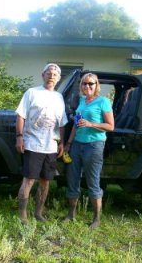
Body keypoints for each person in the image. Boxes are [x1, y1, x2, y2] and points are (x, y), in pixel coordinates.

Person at [15, 63, 68, 223]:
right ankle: (22, 215)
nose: (52, 76)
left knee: (45, 182)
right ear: (42, 75)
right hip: (32, 144)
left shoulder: (59, 98)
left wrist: (61, 143)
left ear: (58, 79)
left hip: (51, 146)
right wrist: (19, 137)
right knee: (29, 180)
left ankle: (38, 213)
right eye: (49, 73)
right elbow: (20, 116)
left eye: (55, 74)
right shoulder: (32, 93)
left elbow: (62, 123)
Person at [64, 73, 114, 229]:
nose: (87, 86)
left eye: (91, 84)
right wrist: (69, 143)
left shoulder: (103, 101)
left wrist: (91, 124)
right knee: (72, 179)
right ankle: (71, 215)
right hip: (77, 144)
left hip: (94, 145)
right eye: (84, 83)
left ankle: (96, 219)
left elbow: (111, 126)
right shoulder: (81, 101)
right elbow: (76, 125)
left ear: (96, 85)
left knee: (92, 182)